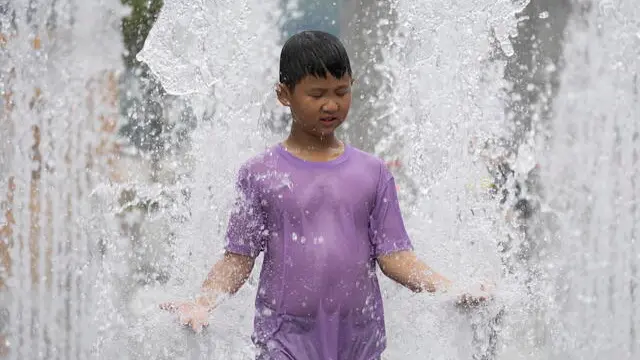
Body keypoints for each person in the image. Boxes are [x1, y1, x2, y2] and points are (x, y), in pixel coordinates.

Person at [161, 30, 489, 360]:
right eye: (317, 94)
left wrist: (449, 289)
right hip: (283, 338)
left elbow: (396, 256)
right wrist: (203, 302)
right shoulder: (260, 173)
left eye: (341, 91)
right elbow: (238, 257)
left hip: (359, 339)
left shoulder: (372, 172)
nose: (331, 104)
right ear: (284, 94)